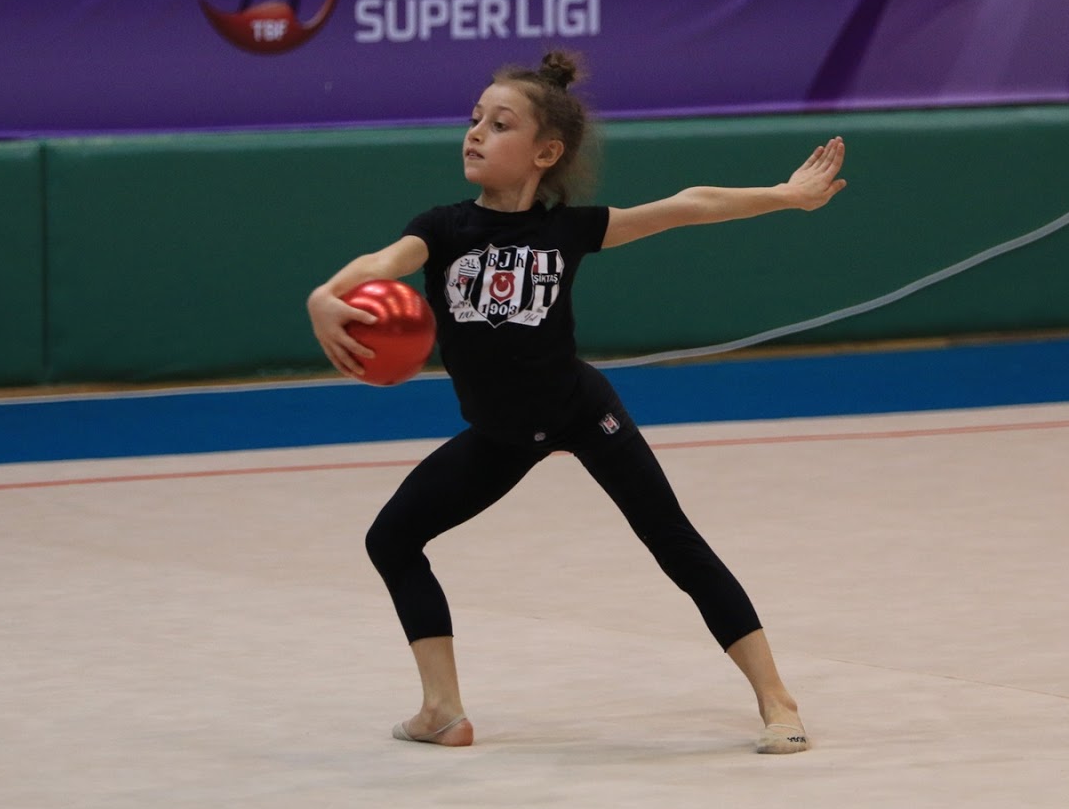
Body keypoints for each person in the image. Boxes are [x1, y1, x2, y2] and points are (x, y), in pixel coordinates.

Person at [306, 50, 846, 754]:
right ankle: (441, 709)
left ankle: (777, 699)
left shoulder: (567, 230)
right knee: (392, 539)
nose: (475, 133)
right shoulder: (442, 230)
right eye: (474, 119)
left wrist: (785, 194)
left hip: (582, 412)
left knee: (673, 539)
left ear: (545, 153)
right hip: (501, 433)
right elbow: (381, 264)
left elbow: (687, 206)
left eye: (500, 124)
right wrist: (327, 294)